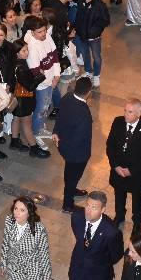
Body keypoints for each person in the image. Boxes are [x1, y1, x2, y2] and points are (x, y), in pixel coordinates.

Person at [104, 99, 141, 232]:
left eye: (130, 112)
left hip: (136, 173)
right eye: (125, 110)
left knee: (137, 198)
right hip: (118, 169)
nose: (126, 114)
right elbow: (110, 145)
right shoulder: (118, 122)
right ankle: (119, 215)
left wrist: (131, 170)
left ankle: (137, 221)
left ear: (139, 113)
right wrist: (115, 166)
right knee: (119, 194)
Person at [53, 76, 93, 212]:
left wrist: (56, 133)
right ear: (89, 92)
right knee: (72, 177)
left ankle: (72, 189)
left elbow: (60, 117)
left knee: (70, 176)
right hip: (77, 154)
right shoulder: (84, 114)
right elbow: (79, 138)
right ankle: (67, 204)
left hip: (65, 146)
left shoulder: (67, 97)